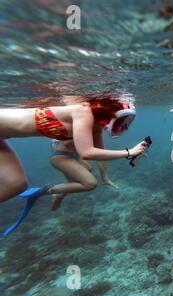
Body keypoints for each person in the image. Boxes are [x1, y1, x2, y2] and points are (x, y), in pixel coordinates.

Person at [0, 95, 148, 234]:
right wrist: (129, 152)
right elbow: (87, 153)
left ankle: (49, 192)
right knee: (88, 181)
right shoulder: (83, 111)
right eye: (123, 121)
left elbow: (99, 152)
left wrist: (105, 177)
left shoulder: (95, 125)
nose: (124, 126)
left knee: (17, 185)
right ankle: (51, 191)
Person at [49, 139, 118, 211]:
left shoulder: (96, 132)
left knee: (87, 168)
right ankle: (49, 190)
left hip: (73, 150)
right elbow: (66, 143)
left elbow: (100, 155)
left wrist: (104, 177)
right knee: (88, 183)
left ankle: (60, 192)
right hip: (60, 150)